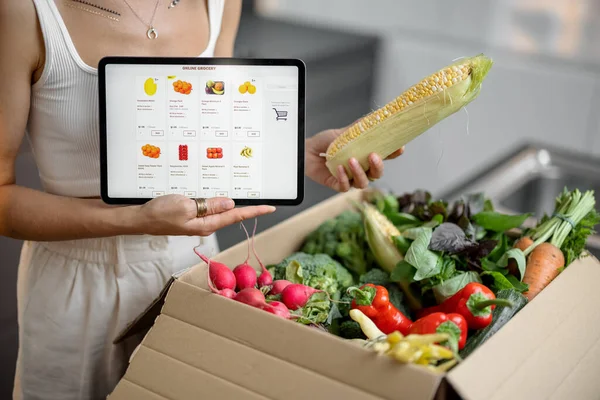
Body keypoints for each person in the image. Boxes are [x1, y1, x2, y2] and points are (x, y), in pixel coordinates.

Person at [0, 0, 405, 399]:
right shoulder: (24, 11)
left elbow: (213, 130)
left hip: (193, 270)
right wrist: (136, 219)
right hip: (77, 286)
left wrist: (298, 156)